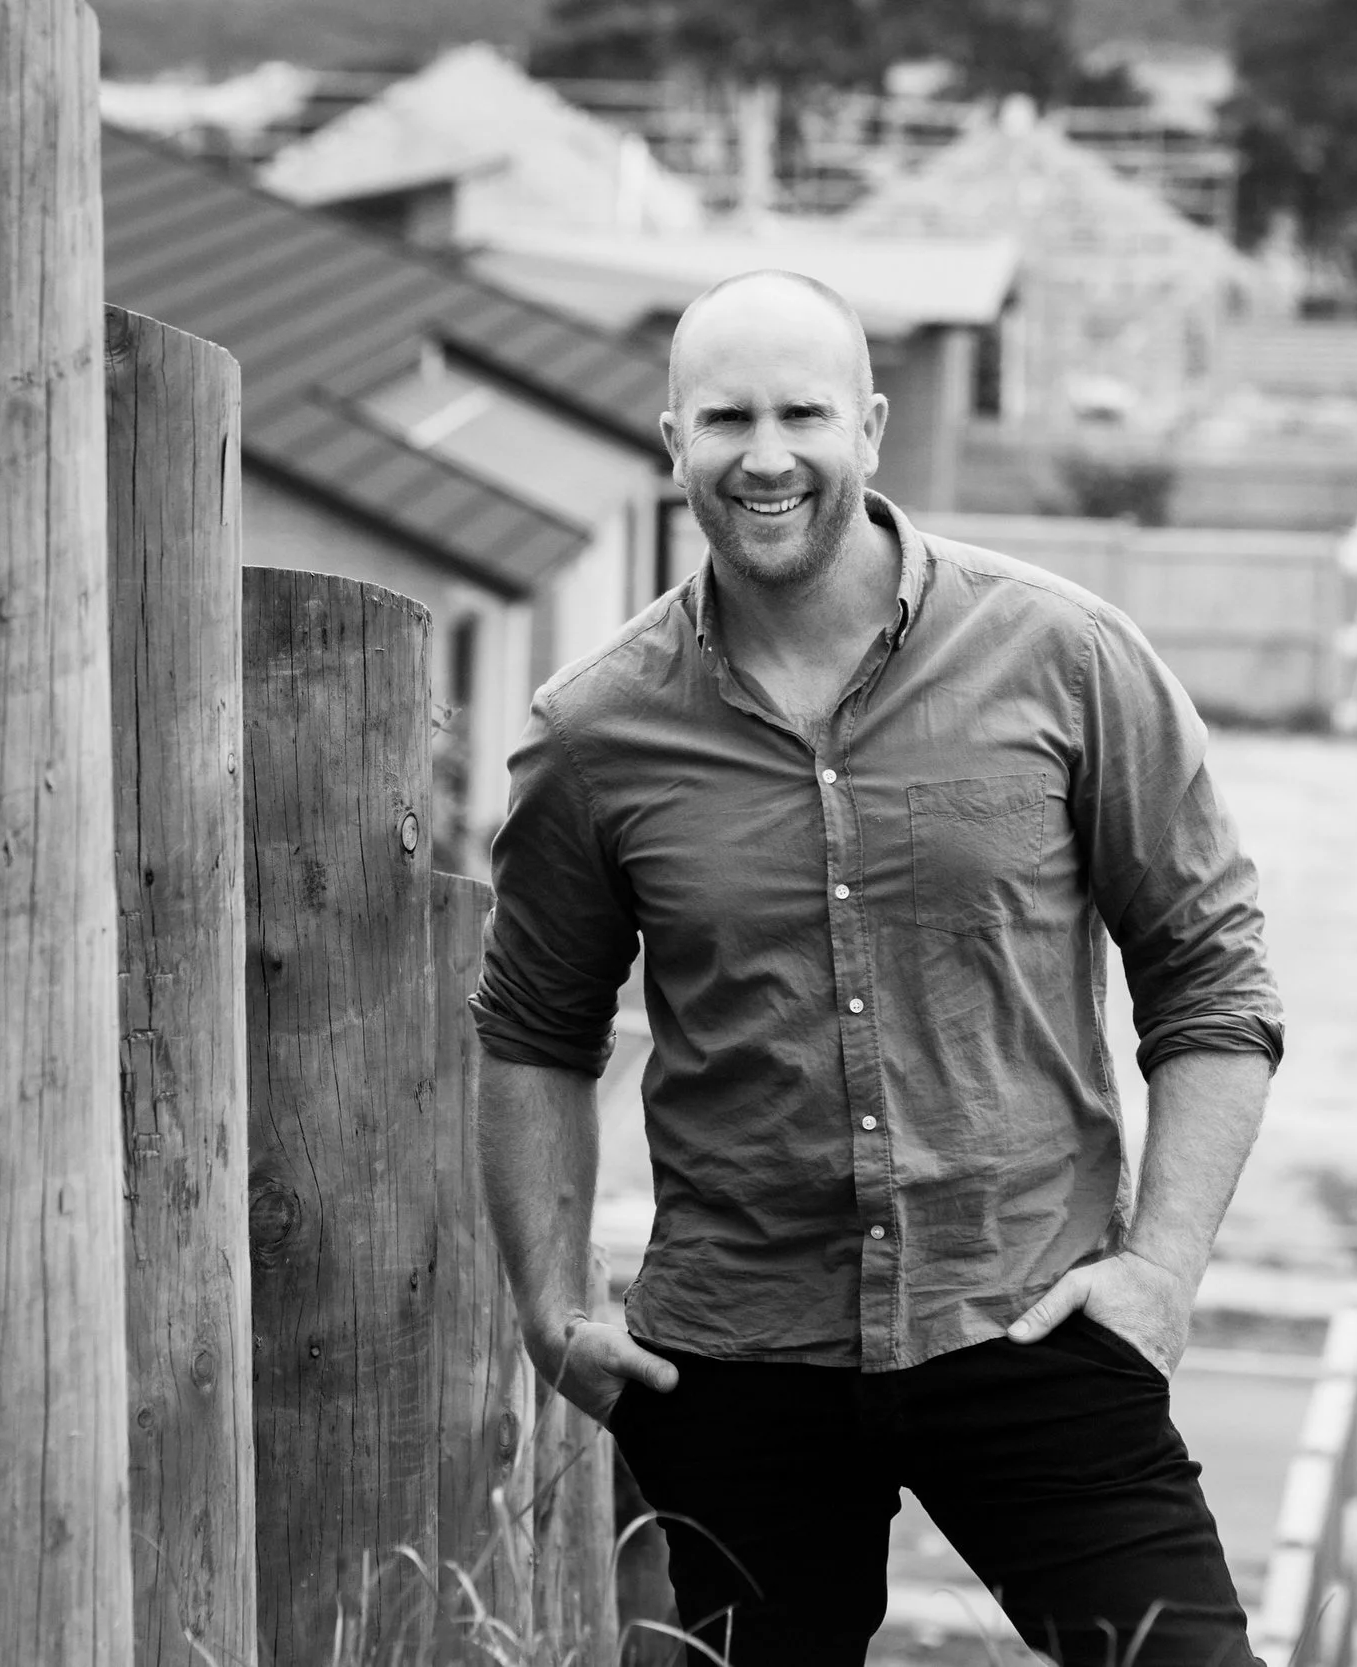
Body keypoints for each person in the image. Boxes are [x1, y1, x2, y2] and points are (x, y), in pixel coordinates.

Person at [471, 268, 1283, 1667]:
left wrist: (1161, 1267)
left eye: (804, 412)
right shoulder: (596, 733)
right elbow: (537, 1032)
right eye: (726, 417)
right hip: (731, 1361)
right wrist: (552, 1310)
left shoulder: (1068, 660)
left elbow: (1211, 978)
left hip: (1028, 1315)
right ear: (674, 443)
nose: (766, 454)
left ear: (874, 427)